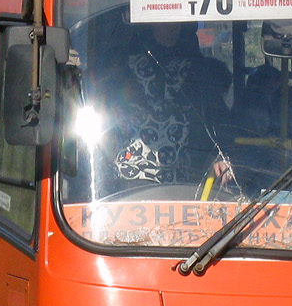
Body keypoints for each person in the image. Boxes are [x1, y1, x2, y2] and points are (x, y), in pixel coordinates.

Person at [90, 22, 232, 191]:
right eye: (165, 21)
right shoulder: (120, 63)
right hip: (130, 178)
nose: (173, 27)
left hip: (185, 181)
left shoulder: (197, 68)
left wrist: (221, 155)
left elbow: (216, 119)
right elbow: (100, 113)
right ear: (149, 22)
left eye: (177, 22)